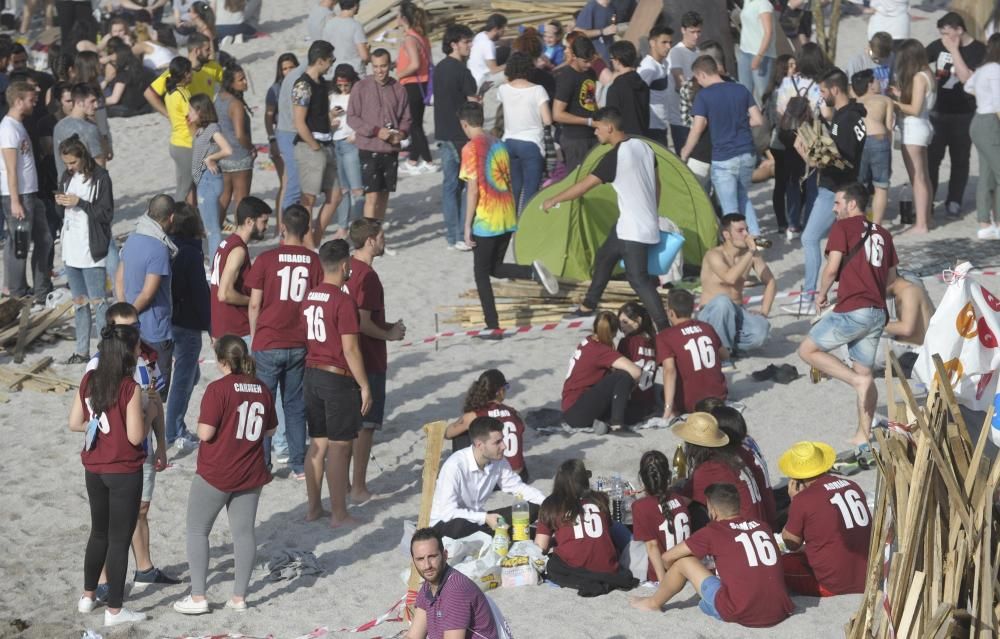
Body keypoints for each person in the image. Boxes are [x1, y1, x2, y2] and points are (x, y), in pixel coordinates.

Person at [172, 335, 277, 615]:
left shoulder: (218, 390)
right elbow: (270, 431)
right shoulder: (262, 388)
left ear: (221, 362)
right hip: (251, 472)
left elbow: (205, 433)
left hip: (217, 472)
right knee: (244, 534)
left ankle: (198, 597)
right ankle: (239, 597)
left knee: (197, 530)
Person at [86, 303, 179, 606]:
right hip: (115, 457)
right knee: (111, 526)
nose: (134, 333)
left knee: (140, 511)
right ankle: (103, 584)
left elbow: (155, 402)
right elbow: (88, 417)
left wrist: (162, 444)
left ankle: (144, 569)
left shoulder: (147, 357)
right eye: (127, 329)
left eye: (136, 326)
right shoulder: (97, 366)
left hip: (143, 452)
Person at [543, 107, 668, 331]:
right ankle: (589, 305)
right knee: (604, 256)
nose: (596, 133)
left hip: (634, 230)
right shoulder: (644, 146)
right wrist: (652, 210)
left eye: (598, 128)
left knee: (638, 280)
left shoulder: (615, 157)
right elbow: (657, 184)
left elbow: (582, 187)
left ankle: (664, 327)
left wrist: (553, 199)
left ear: (609, 127)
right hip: (635, 223)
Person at [798, 183, 897, 449]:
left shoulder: (842, 228)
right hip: (877, 312)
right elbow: (891, 278)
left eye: (838, 203)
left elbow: (831, 268)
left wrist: (821, 293)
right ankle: (863, 435)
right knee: (865, 374)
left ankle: (855, 381)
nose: (834, 208)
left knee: (807, 351)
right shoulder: (884, 234)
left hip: (855, 308)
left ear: (852, 204)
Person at [457, 102, 559, 336]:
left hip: (487, 219)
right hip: (506, 214)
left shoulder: (471, 148)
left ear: (464, 124)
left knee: (481, 273)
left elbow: (472, 190)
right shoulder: (498, 143)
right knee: (495, 267)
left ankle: (492, 324)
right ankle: (532, 272)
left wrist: (466, 225)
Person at [70, 322, 148, 627]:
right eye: (138, 346)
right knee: (119, 538)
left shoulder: (89, 379)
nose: (141, 351)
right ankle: (114, 609)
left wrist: (101, 427)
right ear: (128, 352)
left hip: (95, 467)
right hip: (124, 469)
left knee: (98, 532)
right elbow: (134, 436)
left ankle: (88, 596)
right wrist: (147, 412)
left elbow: (75, 422)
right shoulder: (130, 387)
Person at [629, 483, 793, 627]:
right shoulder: (762, 526)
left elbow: (667, 557)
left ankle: (652, 602)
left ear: (713, 511)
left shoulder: (714, 531)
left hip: (741, 612)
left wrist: (673, 573)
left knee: (684, 563)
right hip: (779, 609)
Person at [246, 204, 323, 479]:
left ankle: (262, 463)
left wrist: (254, 340)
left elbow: (254, 305)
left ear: (282, 227)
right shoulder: (313, 261)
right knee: (294, 404)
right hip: (298, 342)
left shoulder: (266, 259)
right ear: (307, 230)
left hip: (268, 340)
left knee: (264, 404)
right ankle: (299, 465)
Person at [785, 68, 867, 315]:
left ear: (834, 89)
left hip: (835, 191)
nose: (821, 95)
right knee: (844, 248)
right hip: (842, 188)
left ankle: (810, 297)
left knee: (810, 239)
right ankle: (846, 294)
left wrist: (805, 152)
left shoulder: (845, 120)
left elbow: (838, 161)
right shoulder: (852, 115)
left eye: (822, 90)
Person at [302, 239, 371, 528]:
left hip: (312, 373)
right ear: (344, 265)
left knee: (317, 444)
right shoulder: (343, 300)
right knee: (340, 448)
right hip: (335, 376)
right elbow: (351, 349)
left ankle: (315, 508)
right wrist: (365, 384)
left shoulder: (310, 296)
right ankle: (339, 513)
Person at [342, 217, 406, 498]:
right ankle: (358, 487)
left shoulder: (344, 268)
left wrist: (386, 325)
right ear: (370, 240)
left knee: (345, 427)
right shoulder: (367, 276)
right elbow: (362, 321)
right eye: (381, 236)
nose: (384, 241)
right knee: (365, 427)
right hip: (366, 356)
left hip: (342, 356)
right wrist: (390, 334)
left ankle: (344, 484)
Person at [680, 55, 764, 237]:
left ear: (701, 74)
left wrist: (685, 152)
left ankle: (739, 246)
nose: (698, 83)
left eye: (697, 78)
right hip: (747, 153)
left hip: (724, 157)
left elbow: (697, 128)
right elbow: (758, 120)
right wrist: (739, 123)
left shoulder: (704, 96)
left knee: (730, 208)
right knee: (743, 196)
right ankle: (756, 237)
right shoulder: (740, 89)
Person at [779, 441, 872, 596]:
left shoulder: (803, 500)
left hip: (834, 584)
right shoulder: (852, 485)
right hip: (867, 575)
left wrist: (794, 502)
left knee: (778, 565)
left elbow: (791, 543)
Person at [430, 416, 544, 538]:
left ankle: (504, 534)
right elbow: (448, 513)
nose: (504, 446)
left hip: (480, 519)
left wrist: (547, 503)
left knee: (534, 508)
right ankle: (508, 534)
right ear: (480, 445)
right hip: (448, 525)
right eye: (497, 442)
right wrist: (484, 518)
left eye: (502, 440)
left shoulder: (499, 460)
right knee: (460, 527)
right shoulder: (455, 466)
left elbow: (517, 487)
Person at [144, 35, 224, 203]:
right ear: (196, 50)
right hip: (189, 137)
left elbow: (227, 85)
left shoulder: (213, 68)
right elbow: (149, 93)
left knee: (202, 180)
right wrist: (168, 114)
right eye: (207, 49)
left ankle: (197, 217)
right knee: (188, 185)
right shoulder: (177, 74)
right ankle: (186, 218)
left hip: (202, 133)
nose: (211, 54)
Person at [57, 136, 114, 364]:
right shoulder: (67, 176)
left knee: (99, 302)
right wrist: (60, 200)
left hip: (91, 249)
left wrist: (79, 202)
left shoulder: (100, 178)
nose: (69, 167)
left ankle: (104, 352)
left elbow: (106, 213)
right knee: (79, 303)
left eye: (72, 162)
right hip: (70, 248)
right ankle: (82, 350)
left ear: (82, 157)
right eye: (66, 163)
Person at [927, 13, 986, 219]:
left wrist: (954, 50)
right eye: (941, 34)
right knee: (932, 158)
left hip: (965, 113)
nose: (943, 38)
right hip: (938, 111)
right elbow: (919, 62)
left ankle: (954, 200)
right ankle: (928, 199)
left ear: (959, 30)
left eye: (947, 33)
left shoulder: (979, 50)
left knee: (960, 159)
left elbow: (967, 79)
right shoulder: (938, 46)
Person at [116, 194, 176, 395]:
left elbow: (119, 279)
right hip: (154, 330)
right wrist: (129, 315)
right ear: (171, 218)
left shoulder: (132, 239)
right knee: (156, 394)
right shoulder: (159, 248)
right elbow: (148, 293)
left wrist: (123, 311)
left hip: (131, 329)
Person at [347, 48, 412, 222]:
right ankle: (368, 238)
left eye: (383, 66)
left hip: (390, 149)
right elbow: (351, 118)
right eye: (375, 67)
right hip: (368, 148)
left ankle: (377, 236)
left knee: (384, 196)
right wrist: (376, 131)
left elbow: (407, 118)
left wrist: (402, 133)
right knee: (372, 196)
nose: (379, 71)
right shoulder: (360, 87)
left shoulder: (398, 88)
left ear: (389, 66)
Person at [2, 81, 52, 306]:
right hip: (19, 196)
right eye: (31, 100)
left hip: (30, 193)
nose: (35, 104)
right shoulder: (8, 129)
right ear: (18, 101)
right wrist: (15, 200)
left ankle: (38, 288)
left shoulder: (18, 125)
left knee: (44, 239)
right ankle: (16, 291)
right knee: (19, 244)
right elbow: (10, 168)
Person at [166, 203, 211, 447]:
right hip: (187, 325)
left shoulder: (168, 247)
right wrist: (212, 327)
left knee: (192, 375)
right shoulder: (191, 253)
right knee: (183, 380)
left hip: (170, 320)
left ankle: (175, 426)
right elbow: (200, 293)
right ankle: (174, 430)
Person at [698, 214, 775, 355]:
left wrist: (764, 311)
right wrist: (751, 252)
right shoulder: (713, 255)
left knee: (761, 331)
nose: (746, 234)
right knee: (723, 302)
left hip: (737, 311)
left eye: (747, 229)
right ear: (726, 234)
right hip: (711, 313)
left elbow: (770, 281)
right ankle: (722, 354)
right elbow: (730, 278)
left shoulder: (750, 255)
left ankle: (727, 345)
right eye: (740, 231)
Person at [407, 528, 501, 639]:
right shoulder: (428, 586)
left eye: (432, 556)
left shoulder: (455, 590)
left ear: (445, 555)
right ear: (413, 562)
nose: (427, 565)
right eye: (420, 559)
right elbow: (414, 636)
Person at [673, 412, 767, 523]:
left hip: (742, 530)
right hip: (760, 524)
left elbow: (680, 505)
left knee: (693, 511)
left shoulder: (708, 468)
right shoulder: (729, 456)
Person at [292, 40, 340, 246]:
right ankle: (308, 244)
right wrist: (314, 146)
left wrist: (329, 118)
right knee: (308, 199)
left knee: (336, 195)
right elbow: (299, 122)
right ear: (320, 61)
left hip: (326, 143)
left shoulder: (320, 83)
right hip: (311, 147)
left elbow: (315, 115)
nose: (332, 64)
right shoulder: (303, 85)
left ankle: (315, 240)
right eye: (331, 60)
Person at [536, 459, 621, 575]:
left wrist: (552, 541)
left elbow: (541, 548)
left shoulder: (551, 505)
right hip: (608, 568)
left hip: (575, 569)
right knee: (617, 527)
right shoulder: (601, 498)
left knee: (553, 562)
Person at [434, 24, 477, 251]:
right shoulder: (463, 71)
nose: (469, 46)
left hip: (443, 133)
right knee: (466, 187)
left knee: (450, 187)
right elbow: (472, 104)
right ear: (454, 44)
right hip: (462, 135)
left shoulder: (439, 68)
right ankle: (462, 234)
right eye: (466, 42)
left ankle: (452, 236)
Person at [561, 311, 642, 432]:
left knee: (635, 412)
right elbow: (636, 372)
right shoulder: (601, 350)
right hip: (578, 411)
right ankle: (617, 424)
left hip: (571, 406)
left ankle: (609, 420)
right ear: (614, 332)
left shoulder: (588, 341)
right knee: (623, 376)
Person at [446, 369, 529, 481]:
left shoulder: (474, 415)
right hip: (520, 475)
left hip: (494, 479)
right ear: (499, 391)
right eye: (506, 387)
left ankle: (462, 472)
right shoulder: (513, 412)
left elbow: (447, 433)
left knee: (461, 434)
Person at [657, 289, 728, 418]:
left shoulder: (665, 336)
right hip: (719, 398)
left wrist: (668, 408)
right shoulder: (707, 327)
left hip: (690, 404)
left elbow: (669, 371)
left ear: (671, 312)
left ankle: (674, 410)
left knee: (660, 392)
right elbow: (724, 355)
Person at [497, 52, 552, 212]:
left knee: (514, 189)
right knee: (530, 191)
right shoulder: (538, 90)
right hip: (531, 144)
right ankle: (523, 230)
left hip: (509, 143)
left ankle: (512, 227)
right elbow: (547, 120)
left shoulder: (503, 89)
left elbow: (504, 82)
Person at [210, 196, 270, 341]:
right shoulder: (238, 250)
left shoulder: (227, 242)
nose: (266, 227)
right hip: (236, 329)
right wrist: (253, 301)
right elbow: (224, 294)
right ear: (249, 221)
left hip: (220, 328)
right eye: (264, 222)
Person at [891, 40, 935, 235]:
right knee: (923, 176)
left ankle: (921, 224)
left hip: (914, 129)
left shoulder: (918, 77)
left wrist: (893, 103)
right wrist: (901, 95)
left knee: (917, 178)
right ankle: (927, 219)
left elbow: (915, 109)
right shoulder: (928, 73)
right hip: (923, 127)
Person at [631, 450, 692, 582]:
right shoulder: (679, 499)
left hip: (663, 570)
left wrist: (663, 582)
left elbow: (652, 546)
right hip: (686, 567)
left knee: (629, 542)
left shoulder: (640, 506)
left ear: (641, 478)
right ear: (669, 477)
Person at [190, 92, 232, 259]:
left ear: (201, 111)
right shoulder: (202, 130)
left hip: (209, 179)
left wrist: (211, 158)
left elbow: (228, 150)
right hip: (203, 180)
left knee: (212, 229)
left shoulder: (213, 129)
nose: (189, 114)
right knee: (209, 228)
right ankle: (215, 260)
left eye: (192, 110)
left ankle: (216, 263)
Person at [966, 34, 1000, 239]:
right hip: (989, 122)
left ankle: (985, 223)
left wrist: (983, 96)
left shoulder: (983, 69)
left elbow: (968, 86)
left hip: (979, 120)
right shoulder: (995, 70)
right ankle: (990, 222)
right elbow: (998, 104)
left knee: (987, 175)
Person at [396, 1, 435, 176]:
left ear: (403, 18)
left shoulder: (410, 38)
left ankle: (428, 160)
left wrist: (398, 75)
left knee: (414, 125)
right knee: (416, 123)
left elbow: (415, 64)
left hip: (412, 83)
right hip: (423, 83)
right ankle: (413, 160)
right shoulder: (422, 36)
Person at [852, 69, 894, 225]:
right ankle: (876, 226)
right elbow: (889, 128)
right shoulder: (884, 100)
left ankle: (859, 223)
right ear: (870, 85)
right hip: (879, 139)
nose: (878, 82)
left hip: (860, 141)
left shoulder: (854, 102)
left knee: (859, 185)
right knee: (881, 186)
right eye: (876, 80)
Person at [215, 63, 255, 224]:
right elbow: (240, 134)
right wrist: (251, 147)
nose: (245, 82)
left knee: (224, 196)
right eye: (241, 79)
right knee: (241, 198)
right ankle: (240, 231)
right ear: (231, 83)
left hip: (223, 154)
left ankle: (214, 228)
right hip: (239, 155)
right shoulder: (236, 104)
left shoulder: (219, 99)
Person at [329, 65, 365, 238]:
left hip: (351, 144)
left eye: (346, 85)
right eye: (340, 85)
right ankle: (342, 226)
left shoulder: (358, 95)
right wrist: (330, 119)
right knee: (343, 189)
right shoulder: (332, 96)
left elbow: (366, 117)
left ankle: (357, 228)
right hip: (335, 143)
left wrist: (356, 134)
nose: (343, 88)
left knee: (357, 189)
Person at [552, 36, 598, 171]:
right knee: (577, 183)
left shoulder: (590, 72)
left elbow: (591, 101)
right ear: (574, 56)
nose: (589, 64)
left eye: (591, 60)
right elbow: (557, 114)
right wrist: (588, 121)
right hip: (575, 140)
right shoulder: (566, 76)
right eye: (585, 61)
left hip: (592, 136)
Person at [264, 53, 298, 224]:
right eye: (284, 68)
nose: (288, 71)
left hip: (298, 139)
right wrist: (272, 140)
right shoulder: (275, 90)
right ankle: (281, 225)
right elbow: (268, 117)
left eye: (291, 67)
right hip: (281, 139)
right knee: (286, 184)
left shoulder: (301, 85)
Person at [666, 12, 702, 152]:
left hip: (696, 116)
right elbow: (679, 82)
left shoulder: (699, 52)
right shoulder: (676, 52)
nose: (696, 36)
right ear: (683, 30)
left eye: (699, 32)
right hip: (680, 118)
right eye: (692, 32)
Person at [53, 83, 106, 179]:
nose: (96, 105)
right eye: (92, 101)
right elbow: (100, 165)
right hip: (87, 185)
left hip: (65, 185)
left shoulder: (59, 126)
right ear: (79, 102)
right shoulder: (89, 129)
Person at [617, 302, 658, 423]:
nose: (621, 326)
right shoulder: (653, 340)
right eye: (620, 322)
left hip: (630, 402)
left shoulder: (627, 342)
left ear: (638, 321)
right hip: (648, 403)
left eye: (625, 322)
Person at [638, 25, 673, 145]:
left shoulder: (663, 64)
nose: (668, 47)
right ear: (652, 43)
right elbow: (637, 94)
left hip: (661, 125)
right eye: (664, 42)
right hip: (651, 128)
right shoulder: (648, 67)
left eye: (670, 42)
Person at [605, 40, 650, 137]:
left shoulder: (615, 88)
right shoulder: (643, 85)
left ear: (617, 61)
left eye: (611, 58)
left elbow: (611, 122)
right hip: (643, 138)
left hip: (624, 141)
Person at [737, 0, 776, 104]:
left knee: (763, 93)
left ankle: (768, 118)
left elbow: (768, 32)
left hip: (761, 54)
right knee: (744, 91)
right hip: (744, 51)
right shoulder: (747, 2)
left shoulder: (763, 4)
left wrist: (759, 56)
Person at [321, 0, 369, 76]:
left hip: (335, 72)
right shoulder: (356, 26)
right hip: (354, 72)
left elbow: (324, 50)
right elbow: (364, 56)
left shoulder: (329, 24)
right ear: (355, 5)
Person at [884, 275, 934, 345]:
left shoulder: (909, 291)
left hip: (921, 351)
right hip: (916, 350)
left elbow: (906, 329)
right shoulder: (902, 293)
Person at [574, 0, 620, 66]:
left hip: (610, 56)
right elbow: (578, 33)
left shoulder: (612, 7)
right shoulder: (591, 7)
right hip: (595, 59)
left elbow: (612, 24)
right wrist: (602, 31)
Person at [468, 13, 507, 88]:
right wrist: (509, 64)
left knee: (502, 50)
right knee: (513, 71)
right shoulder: (488, 44)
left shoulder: (480, 35)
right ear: (496, 29)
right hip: (482, 80)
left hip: (473, 73)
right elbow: (494, 70)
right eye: (503, 29)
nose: (504, 32)